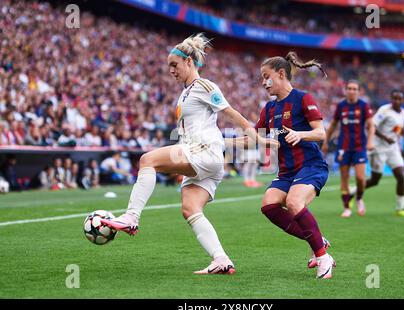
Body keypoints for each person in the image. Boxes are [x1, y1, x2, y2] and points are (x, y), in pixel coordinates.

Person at [101, 33, 275, 275]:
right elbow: (211, 127)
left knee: (147, 160)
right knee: (190, 209)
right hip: (205, 156)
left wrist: (257, 138)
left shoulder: (205, 86)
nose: (171, 70)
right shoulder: (186, 93)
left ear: (189, 62)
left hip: (202, 153)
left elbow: (231, 113)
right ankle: (221, 260)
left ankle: (131, 217)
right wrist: (240, 141)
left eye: (175, 65)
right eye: (169, 66)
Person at [230, 52, 335, 279]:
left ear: (280, 74)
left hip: (310, 166)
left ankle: (322, 256)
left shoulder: (303, 98)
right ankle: (317, 239)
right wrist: (220, 141)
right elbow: (252, 138)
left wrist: (300, 134)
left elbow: (321, 133)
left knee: (294, 202)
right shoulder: (268, 109)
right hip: (287, 172)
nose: (263, 82)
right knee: (269, 206)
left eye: (266, 76)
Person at [322, 80, 375, 218]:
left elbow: (371, 125)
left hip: (359, 147)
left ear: (358, 91)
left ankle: (358, 197)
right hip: (343, 148)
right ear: (345, 90)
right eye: (349, 88)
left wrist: (370, 141)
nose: (352, 91)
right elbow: (333, 125)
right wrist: (326, 141)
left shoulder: (363, 106)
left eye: (354, 89)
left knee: (360, 178)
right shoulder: (341, 106)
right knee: (344, 178)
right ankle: (346, 208)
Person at [363, 90, 404, 218]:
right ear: (391, 99)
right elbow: (371, 126)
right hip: (379, 148)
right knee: (375, 180)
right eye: (394, 99)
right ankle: (353, 192)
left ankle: (400, 208)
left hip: (392, 149)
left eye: (399, 99)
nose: (397, 101)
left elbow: (397, 127)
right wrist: (385, 138)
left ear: (403, 100)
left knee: (401, 176)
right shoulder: (384, 110)